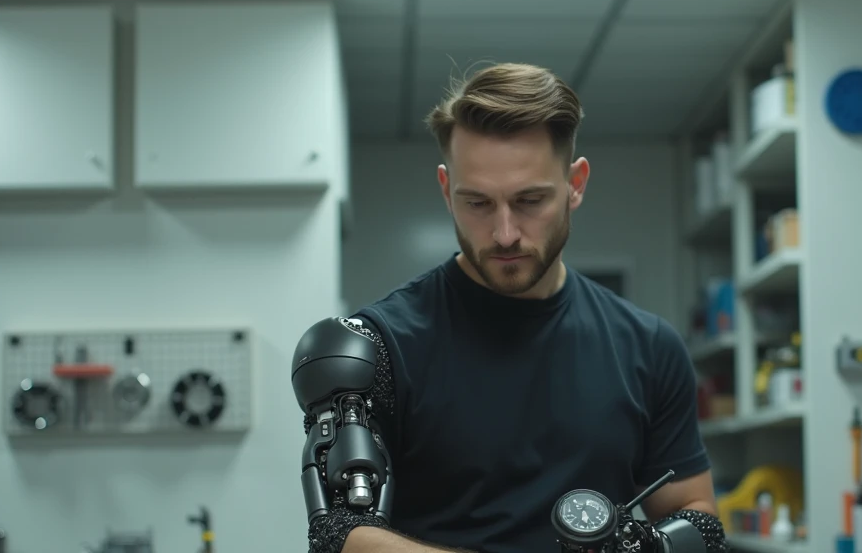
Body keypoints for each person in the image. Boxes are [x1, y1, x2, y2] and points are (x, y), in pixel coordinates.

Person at [303, 62, 728, 553]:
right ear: (446, 190)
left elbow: (697, 516)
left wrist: (647, 545)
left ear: (576, 184)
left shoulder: (650, 347)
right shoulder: (379, 347)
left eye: (529, 200)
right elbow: (338, 534)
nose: (505, 233)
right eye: (478, 204)